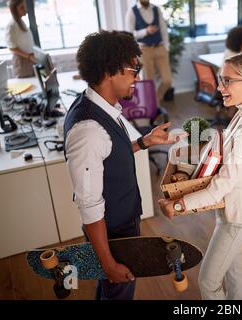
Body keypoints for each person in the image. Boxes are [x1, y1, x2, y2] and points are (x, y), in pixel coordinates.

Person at [64, 31, 185, 300]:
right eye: (133, 70)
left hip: (122, 223)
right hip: (114, 234)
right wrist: (109, 263)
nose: (138, 79)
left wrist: (143, 142)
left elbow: (111, 152)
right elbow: (89, 205)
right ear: (110, 71)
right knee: (117, 290)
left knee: (110, 290)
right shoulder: (88, 131)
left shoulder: (102, 107)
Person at [159, 52, 242, 300]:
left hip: (237, 219)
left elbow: (220, 187)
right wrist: (190, 136)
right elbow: (224, 140)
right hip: (229, 214)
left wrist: (179, 205)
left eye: (227, 81)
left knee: (208, 282)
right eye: (220, 79)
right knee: (233, 273)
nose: (219, 87)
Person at [125, 0, 172, 102]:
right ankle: (154, 107)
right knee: (149, 83)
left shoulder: (156, 9)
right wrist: (146, 31)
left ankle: (155, 102)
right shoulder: (132, 11)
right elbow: (129, 34)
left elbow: (163, 29)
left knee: (167, 80)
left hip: (160, 48)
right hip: (144, 50)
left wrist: (166, 47)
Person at [5, 0, 36, 78]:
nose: (25, 9)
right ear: (14, 9)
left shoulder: (20, 22)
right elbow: (12, 47)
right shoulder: (11, 25)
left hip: (28, 59)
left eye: (24, 6)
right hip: (22, 61)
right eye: (22, 7)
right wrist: (29, 56)